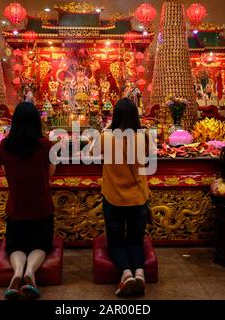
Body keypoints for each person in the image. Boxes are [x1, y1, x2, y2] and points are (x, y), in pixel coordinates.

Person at [90, 98, 153, 297]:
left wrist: (108, 128)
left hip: (113, 198)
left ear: (114, 116)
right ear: (136, 116)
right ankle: (140, 274)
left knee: (115, 242)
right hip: (138, 198)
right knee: (135, 241)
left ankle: (126, 274)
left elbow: (91, 153)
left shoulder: (106, 137)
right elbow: (150, 156)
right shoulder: (143, 137)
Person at [0, 102, 56, 300]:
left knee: (16, 246)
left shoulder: (5, 146)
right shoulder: (45, 145)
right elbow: (50, 172)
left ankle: (16, 275)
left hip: (16, 208)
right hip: (41, 208)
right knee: (41, 245)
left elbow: (6, 172)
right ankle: (30, 273)